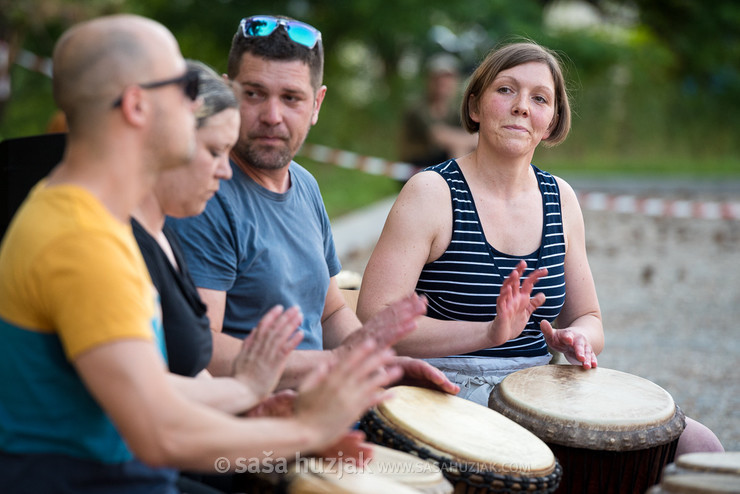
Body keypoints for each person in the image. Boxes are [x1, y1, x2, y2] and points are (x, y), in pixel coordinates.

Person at [0, 15, 410, 493]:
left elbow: (149, 386)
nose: (203, 99)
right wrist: (303, 432)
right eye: (182, 85)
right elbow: (159, 435)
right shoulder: (81, 242)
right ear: (137, 106)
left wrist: (246, 389)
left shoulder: (89, 217)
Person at [357, 40, 723, 456]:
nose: (521, 106)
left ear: (551, 122)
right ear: (475, 107)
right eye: (505, 90)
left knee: (699, 443)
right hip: (439, 390)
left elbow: (588, 317)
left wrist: (577, 338)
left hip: (535, 388)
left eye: (539, 98)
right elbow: (375, 319)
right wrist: (488, 333)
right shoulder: (432, 193)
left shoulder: (560, 198)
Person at [167, 15, 459, 395]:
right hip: (252, 426)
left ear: (316, 103)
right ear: (228, 93)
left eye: (291, 98)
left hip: (323, 403)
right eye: (254, 94)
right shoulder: (206, 194)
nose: (273, 116)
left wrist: (380, 363)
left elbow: (331, 313)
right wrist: (337, 365)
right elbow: (204, 351)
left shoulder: (305, 184)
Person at [399, 53, 477, 171]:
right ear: (429, 80)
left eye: (449, 79)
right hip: (418, 165)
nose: (444, 83)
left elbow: (474, 136)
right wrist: (472, 140)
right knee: (459, 146)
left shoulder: (455, 111)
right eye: (439, 79)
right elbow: (438, 136)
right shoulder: (418, 109)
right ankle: (459, 186)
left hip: (440, 162)